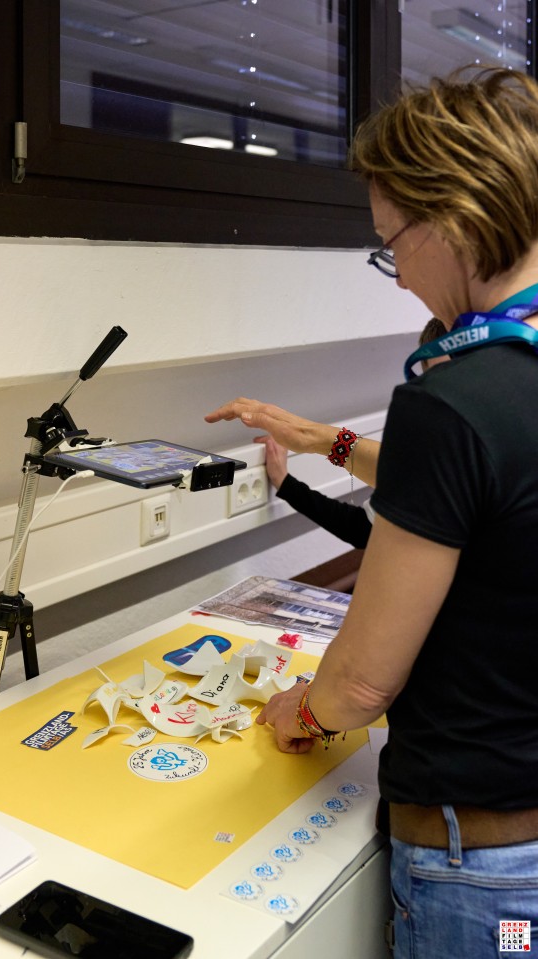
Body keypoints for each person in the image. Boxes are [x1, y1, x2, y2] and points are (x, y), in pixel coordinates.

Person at [205, 67, 538, 958]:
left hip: (486, 865)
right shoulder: (515, 376)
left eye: (392, 246)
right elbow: (498, 488)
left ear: (454, 218)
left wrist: (301, 713)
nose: (397, 280)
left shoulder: (454, 397)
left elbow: (359, 686)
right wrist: (325, 441)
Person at [256, 318, 447, 551]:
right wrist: (285, 483)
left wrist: (316, 439)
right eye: (441, 381)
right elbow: (365, 529)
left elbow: (404, 480)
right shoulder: (429, 442)